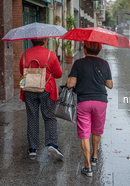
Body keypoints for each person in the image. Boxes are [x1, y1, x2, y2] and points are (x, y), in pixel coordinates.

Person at [66, 41, 113, 177]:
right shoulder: (104, 63)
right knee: (96, 130)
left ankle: (88, 167)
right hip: (100, 102)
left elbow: (70, 84)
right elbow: (110, 85)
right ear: (99, 49)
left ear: (85, 49)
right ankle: (95, 155)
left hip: (84, 102)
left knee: (84, 133)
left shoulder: (78, 63)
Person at [19, 38, 63, 160]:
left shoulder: (25, 54)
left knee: (32, 117)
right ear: (44, 41)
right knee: (49, 117)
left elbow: (21, 71)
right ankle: (52, 143)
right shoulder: (50, 54)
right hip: (47, 89)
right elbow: (59, 74)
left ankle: (32, 148)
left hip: (29, 89)